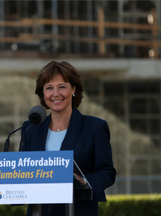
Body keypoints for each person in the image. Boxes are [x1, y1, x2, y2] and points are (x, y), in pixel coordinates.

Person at [22, 61, 116, 216]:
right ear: (43, 93)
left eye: (62, 86)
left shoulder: (94, 127)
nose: (55, 93)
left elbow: (107, 172)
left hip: (77, 210)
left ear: (73, 89)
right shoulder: (30, 128)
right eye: (49, 87)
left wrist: (83, 181)